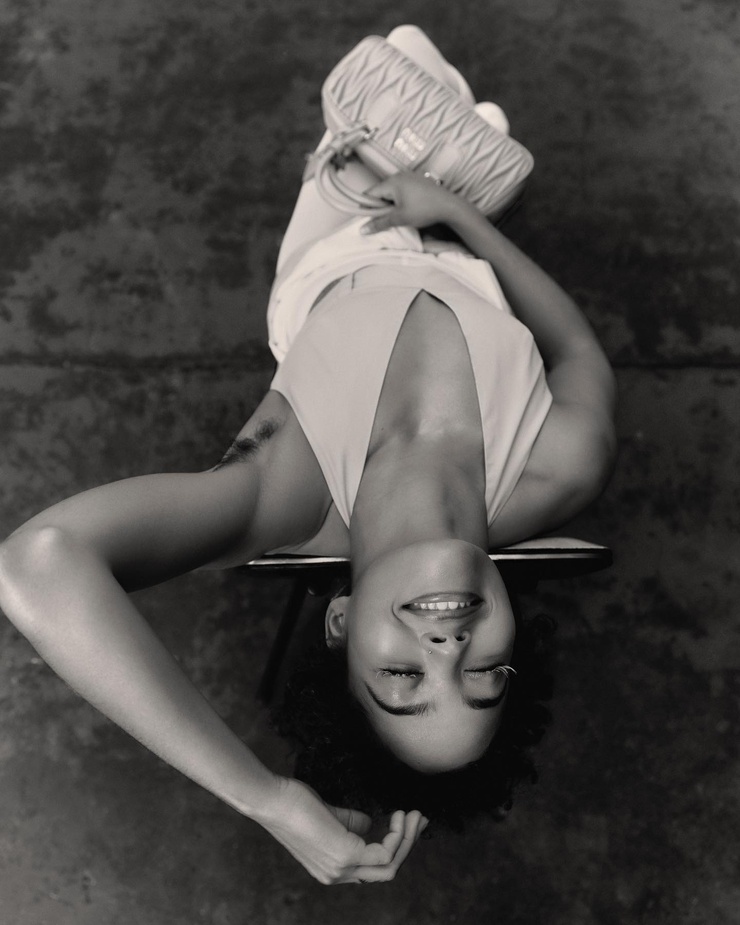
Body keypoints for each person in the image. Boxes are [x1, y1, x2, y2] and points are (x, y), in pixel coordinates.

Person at [0, 26, 616, 884]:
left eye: (402, 675)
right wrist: (460, 217)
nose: (447, 644)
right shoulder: (563, 463)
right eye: (484, 673)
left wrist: (265, 797)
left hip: (343, 243)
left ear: (339, 621)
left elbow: (37, 561)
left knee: (399, 58)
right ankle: (461, 149)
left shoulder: (287, 493)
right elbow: (576, 348)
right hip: (462, 257)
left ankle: (423, 128)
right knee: (443, 111)